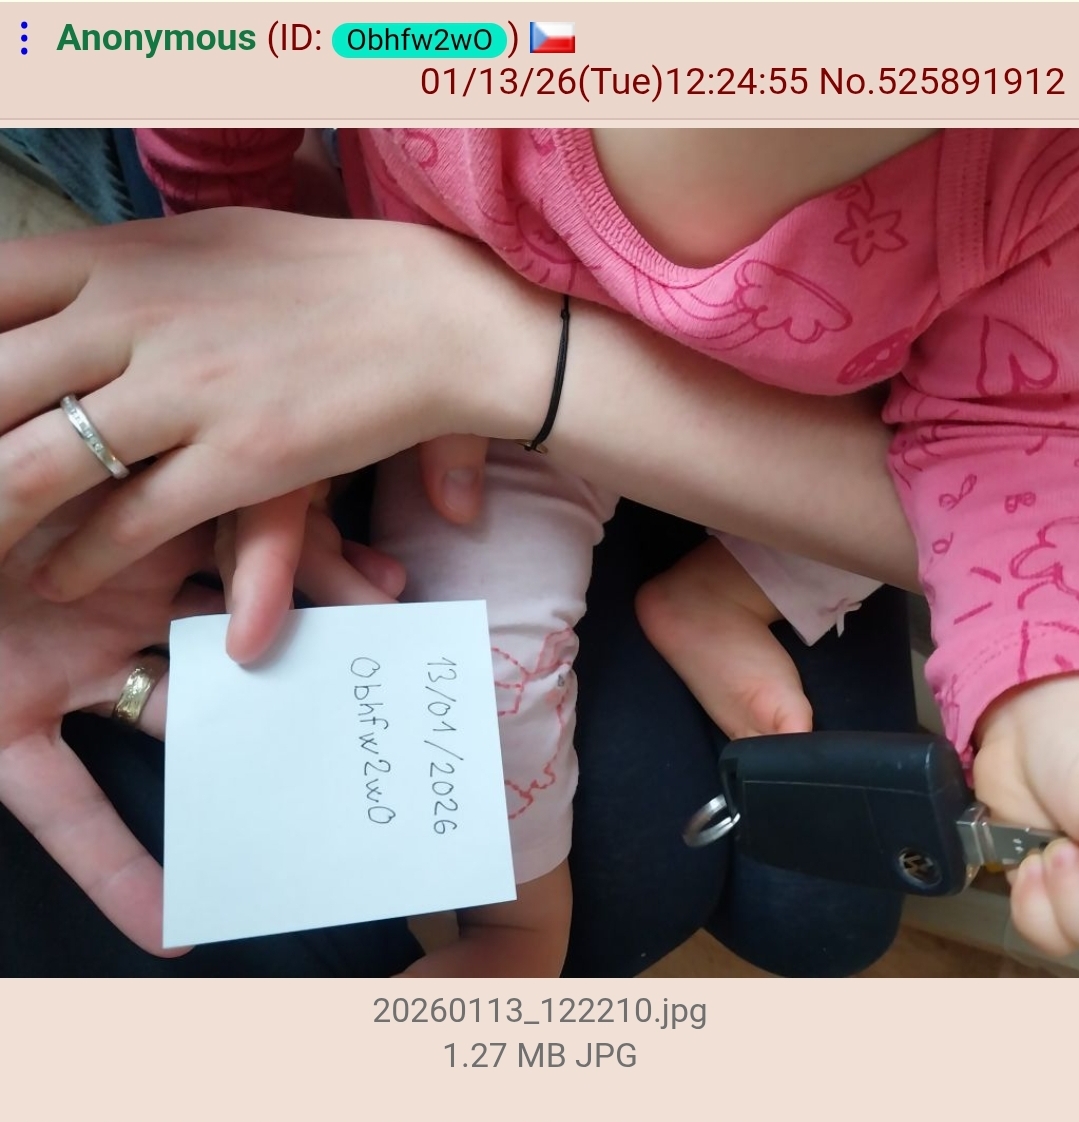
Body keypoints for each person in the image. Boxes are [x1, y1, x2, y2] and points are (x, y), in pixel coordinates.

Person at [3, 127, 1077, 964]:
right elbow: (222, 93)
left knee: (954, 506)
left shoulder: (1035, 172)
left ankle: (721, 596)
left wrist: (1036, 690)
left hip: (828, 400)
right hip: (457, 335)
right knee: (474, 694)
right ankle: (519, 923)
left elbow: (1011, 445)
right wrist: (247, 242)